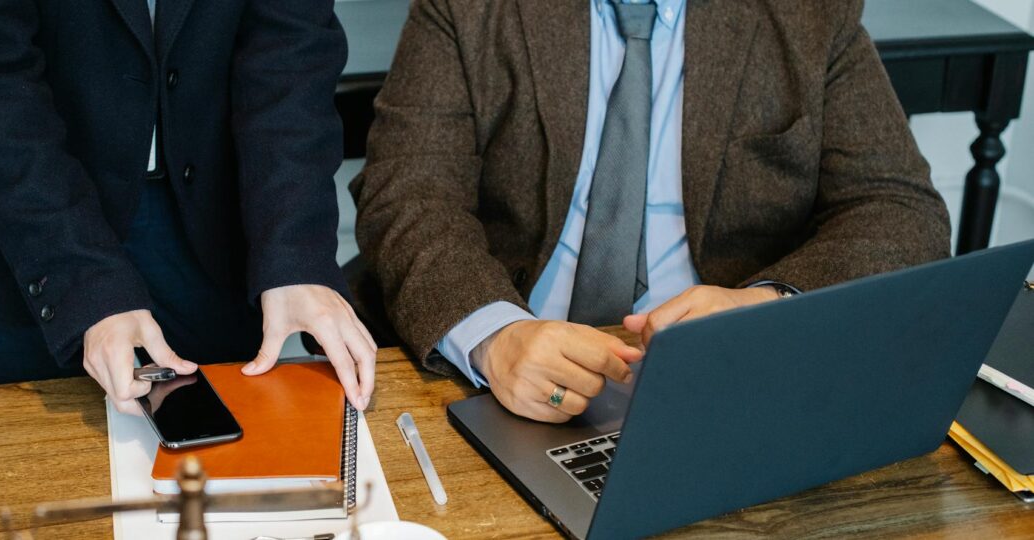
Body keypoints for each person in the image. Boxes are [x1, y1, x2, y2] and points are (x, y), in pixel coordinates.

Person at [352, 0, 950, 422]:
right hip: (504, 372)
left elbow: (899, 209)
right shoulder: (470, 8)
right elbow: (409, 194)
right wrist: (494, 336)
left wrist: (766, 306)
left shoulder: (808, 11)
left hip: (725, 380)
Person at [0, 0, 377, 414]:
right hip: (19, 224)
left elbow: (290, 55)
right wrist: (84, 282)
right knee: (47, 472)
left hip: (216, 215)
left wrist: (293, 255)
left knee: (211, 457)